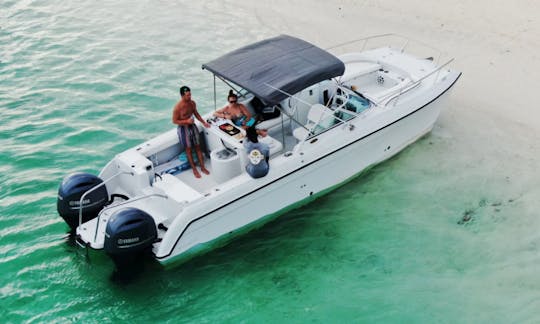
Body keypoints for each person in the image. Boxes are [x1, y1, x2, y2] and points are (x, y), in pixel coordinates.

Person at [172, 85, 210, 179]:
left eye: (190, 95)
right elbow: (174, 121)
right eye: (187, 95)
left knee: (198, 147)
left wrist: (203, 122)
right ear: (182, 96)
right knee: (188, 150)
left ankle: (202, 167)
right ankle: (194, 169)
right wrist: (186, 121)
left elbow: (196, 113)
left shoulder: (192, 103)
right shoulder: (178, 108)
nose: (190, 97)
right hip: (183, 129)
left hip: (192, 127)